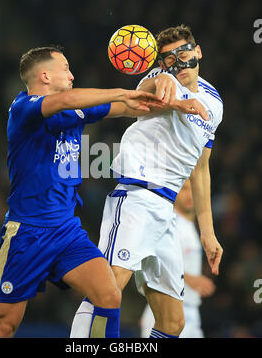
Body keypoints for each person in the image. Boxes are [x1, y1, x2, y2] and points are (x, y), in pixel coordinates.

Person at [0, 45, 170, 338]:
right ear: (44, 75)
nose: (72, 74)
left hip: (67, 231)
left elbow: (131, 105)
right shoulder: (23, 109)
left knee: (109, 295)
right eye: (65, 68)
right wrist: (121, 91)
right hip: (27, 233)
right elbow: (70, 99)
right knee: (3, 327)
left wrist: (160, 83)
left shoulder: (74, 109)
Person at [70, 24, 223, 339]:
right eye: (168, 59)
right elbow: (157, 87)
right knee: (107, 289)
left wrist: (208, 234)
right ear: (160, 63)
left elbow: (201, 168)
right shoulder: (157, 81)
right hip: (137, 198)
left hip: (166, 211)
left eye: (183, 53)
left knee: (172, 322)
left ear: (198, 52)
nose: (178, 63)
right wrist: (163, 80)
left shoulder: (214, 102)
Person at [140, 179, 216, 338]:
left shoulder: (191, 226)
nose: (189, 195)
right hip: (165, 312)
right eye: (184, 189)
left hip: (191, 311)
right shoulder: (166, 221)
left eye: (192, 189)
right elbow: (148, 261)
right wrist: (189, 278)